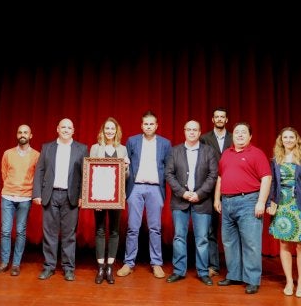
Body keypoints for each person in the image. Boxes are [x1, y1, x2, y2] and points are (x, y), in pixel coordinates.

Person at [214, 121, 272, 294]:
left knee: (251, 242)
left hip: (248, 201)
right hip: (227, 202)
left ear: (250, 136)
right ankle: (234, 275)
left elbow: (266, 178)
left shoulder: (256, 153)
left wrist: (261, 202)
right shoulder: (226, 154)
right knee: (229, 242)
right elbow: (220, 177)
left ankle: (252, 279)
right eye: (237, 132)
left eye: (243, 132)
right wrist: (217, 198)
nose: (239, 135)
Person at [117, 110, 172, 279]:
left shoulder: (165, 143)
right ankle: (129, 262)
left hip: (155, 189)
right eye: (145, 124)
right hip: (136, 189)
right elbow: (125, 166)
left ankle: (156, 263)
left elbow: (168, 167)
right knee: (133, 228)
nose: (148, 126)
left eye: (151, 124)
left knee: (155, 229)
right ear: (142, 126)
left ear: (156, 125)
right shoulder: (132, 141)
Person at [32, 118, 88, 282]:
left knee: (69, 235)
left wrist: (82, 196)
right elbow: (39, 171)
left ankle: (68, 268)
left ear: (73, 130)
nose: (66, 130)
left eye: (69, 127)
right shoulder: (47, 148)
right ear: (57, 129)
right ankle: (49, 267)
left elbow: (86, 175)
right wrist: (37, 193)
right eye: (63, 127)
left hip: (70, 197)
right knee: (49, 233)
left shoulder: (82, 149)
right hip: (50, 195)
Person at [165, 120, 218, 286]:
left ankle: (203, 272)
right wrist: (183, 193)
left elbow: (213, 175)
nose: (192, 132)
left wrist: (199, 194)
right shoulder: (175, 151)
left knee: (202, 239)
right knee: (179, 237)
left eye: (195, 129)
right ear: (184, 131)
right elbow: (169, 174)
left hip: (202, 202)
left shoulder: (209, 151)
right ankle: (179, 271)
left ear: (200, 132)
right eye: (189, 129)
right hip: (180, 201)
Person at [266, 127, 301, 297]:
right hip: (282, 206)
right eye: (285, 137)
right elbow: (272, 184)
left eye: (291, 137)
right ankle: (289, 281)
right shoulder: (276, 160)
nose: (288, 140)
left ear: (297, 139)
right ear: (281, 140)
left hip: (300, 205)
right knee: (284, 244)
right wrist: (269, 203)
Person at [0, 124, 40, 277]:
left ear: (31, 135)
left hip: (25, 197)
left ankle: (16, 264)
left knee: (20, 231)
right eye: (20, 132)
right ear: (17, 135)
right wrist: (10, 187)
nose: (22, 134)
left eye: (25, 132)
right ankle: (4, 262)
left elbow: (37, 176)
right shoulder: (8, 154)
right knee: (5, 231)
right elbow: (4, 173)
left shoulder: (37, 155)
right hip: (8, 197)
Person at [89, 117, 130, 284]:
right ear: (103, 130)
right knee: (99, 230)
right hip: (98, 197)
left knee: (114, 231)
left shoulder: (123, 149)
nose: (110, 131)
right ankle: (100, 267)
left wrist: (126, 167)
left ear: (116, 131)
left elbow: (126, 177)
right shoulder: (95, 148)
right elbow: (90, 173)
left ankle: (110, 267)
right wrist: (93, 199)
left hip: (116, 197)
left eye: (112, 128)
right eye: (107, 128)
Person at [199, 106, 232, 278]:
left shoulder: (235, 138)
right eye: (216, 117)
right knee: (210, 229)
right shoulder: (204, 138)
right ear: (213, 119)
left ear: (226, 120)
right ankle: (213, 265)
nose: (219, 119)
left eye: (222, 117)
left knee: (233, 230)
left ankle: (235, 266)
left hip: (232, 188)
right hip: (210, 189)